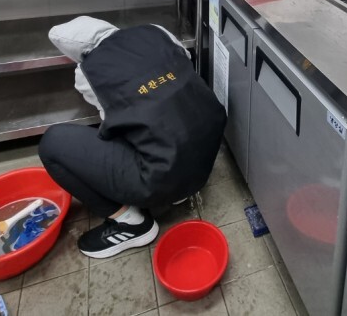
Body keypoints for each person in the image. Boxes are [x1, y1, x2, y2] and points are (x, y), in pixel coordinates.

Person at [39, 16, 226, 258]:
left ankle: (131, 223)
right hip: (208, 150)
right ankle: (180, 188)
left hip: (164, 175)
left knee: (52, 144)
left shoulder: (86, 72)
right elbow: (185, 65)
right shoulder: (155, 30)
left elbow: (114, 121)